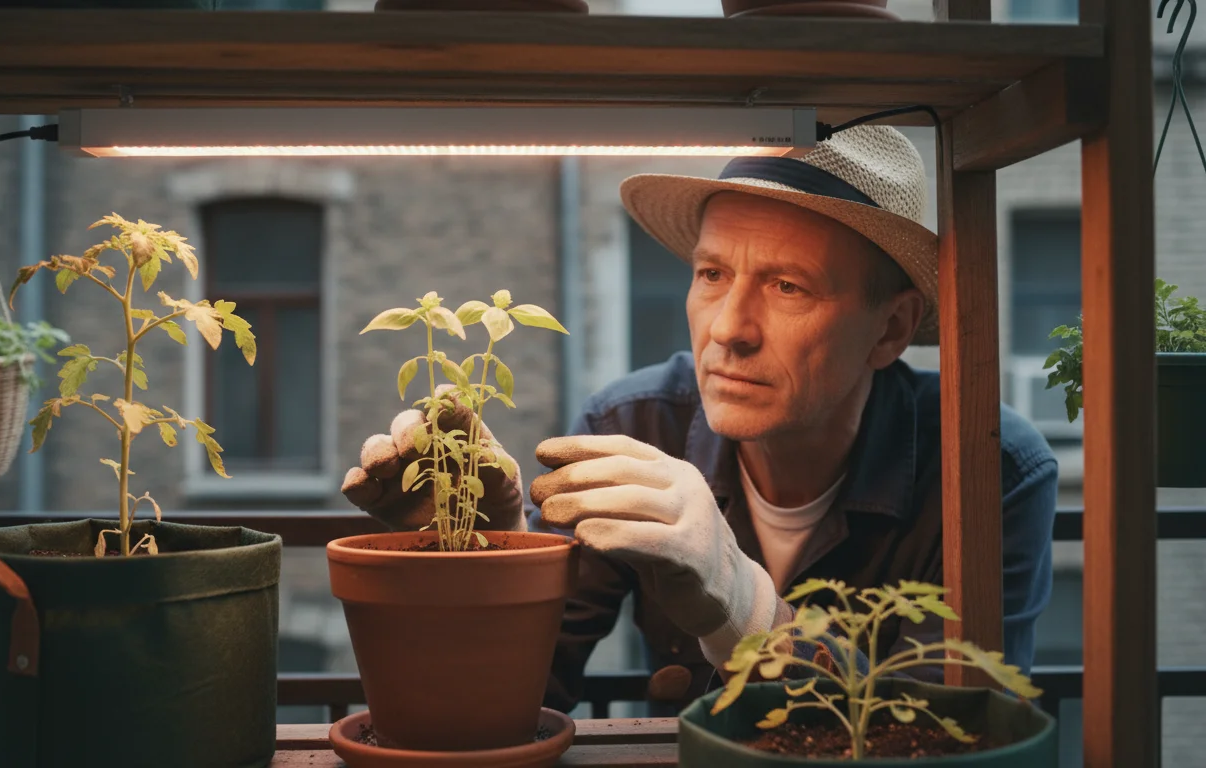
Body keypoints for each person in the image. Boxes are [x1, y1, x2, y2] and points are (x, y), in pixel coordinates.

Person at [340, 125, 1058, 715]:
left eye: (787, 286)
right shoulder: (636, 423)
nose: (729, 330)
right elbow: (510, 710)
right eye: (712, 275)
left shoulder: (986, 467)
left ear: (890, 330)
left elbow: (956, 736)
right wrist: (486, 557)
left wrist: (741, 605)